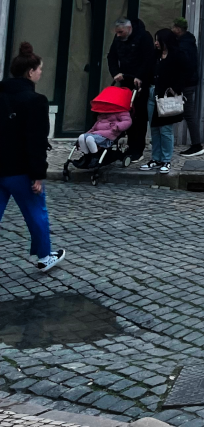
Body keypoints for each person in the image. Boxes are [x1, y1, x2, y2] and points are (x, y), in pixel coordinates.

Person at [0, 42, 65, 271]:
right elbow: (36, 141)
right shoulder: (35, 101)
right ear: (30, 72)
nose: (40, 73)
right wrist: (38, 175)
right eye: (39, 70)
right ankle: (45, 256)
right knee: (36, 212)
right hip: (21, 169)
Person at [107, 17, 157, 162]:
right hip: (125, 80)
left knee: (139, 115)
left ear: (129, 29)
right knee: (126, 114)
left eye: (121, 32)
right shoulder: (119, 39)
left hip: (140, 82)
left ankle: (138, 148)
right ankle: (129, 145)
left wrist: (140, 76)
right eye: (117, 32)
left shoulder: (143, 37)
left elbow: (148, 59)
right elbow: (111, 56)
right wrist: (115, 72)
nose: (118, 35)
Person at [140, 29, 185, 174]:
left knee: (165, 129)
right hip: (153, 92)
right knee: (153, 128)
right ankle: (156, 158)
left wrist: (175, 89)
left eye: (158, 40)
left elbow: (183, 75)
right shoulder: (155, 55)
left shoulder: (177, 56)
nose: (156, 43)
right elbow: (147, 70)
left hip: (166, 95)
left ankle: (166, 159)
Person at [74, 85, 132, 168]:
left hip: (108, 135)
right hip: (97, 133)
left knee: (89, 139)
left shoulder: (121, 112)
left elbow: (127, 121)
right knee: (82, 137)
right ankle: (86, 157)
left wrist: (117, 126)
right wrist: (89, 132)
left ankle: (95, 157)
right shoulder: (103, 113)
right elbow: (96, 126)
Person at [171, 17, 204, 158]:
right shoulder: (186, 42)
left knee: (188, 114)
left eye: (173, 27)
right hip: (186, 83)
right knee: (179, 113)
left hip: (186, 84)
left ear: (178, 29)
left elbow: (186, 67)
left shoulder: (184, 45)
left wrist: (179, 84)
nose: (172, 30)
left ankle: (197, 145)